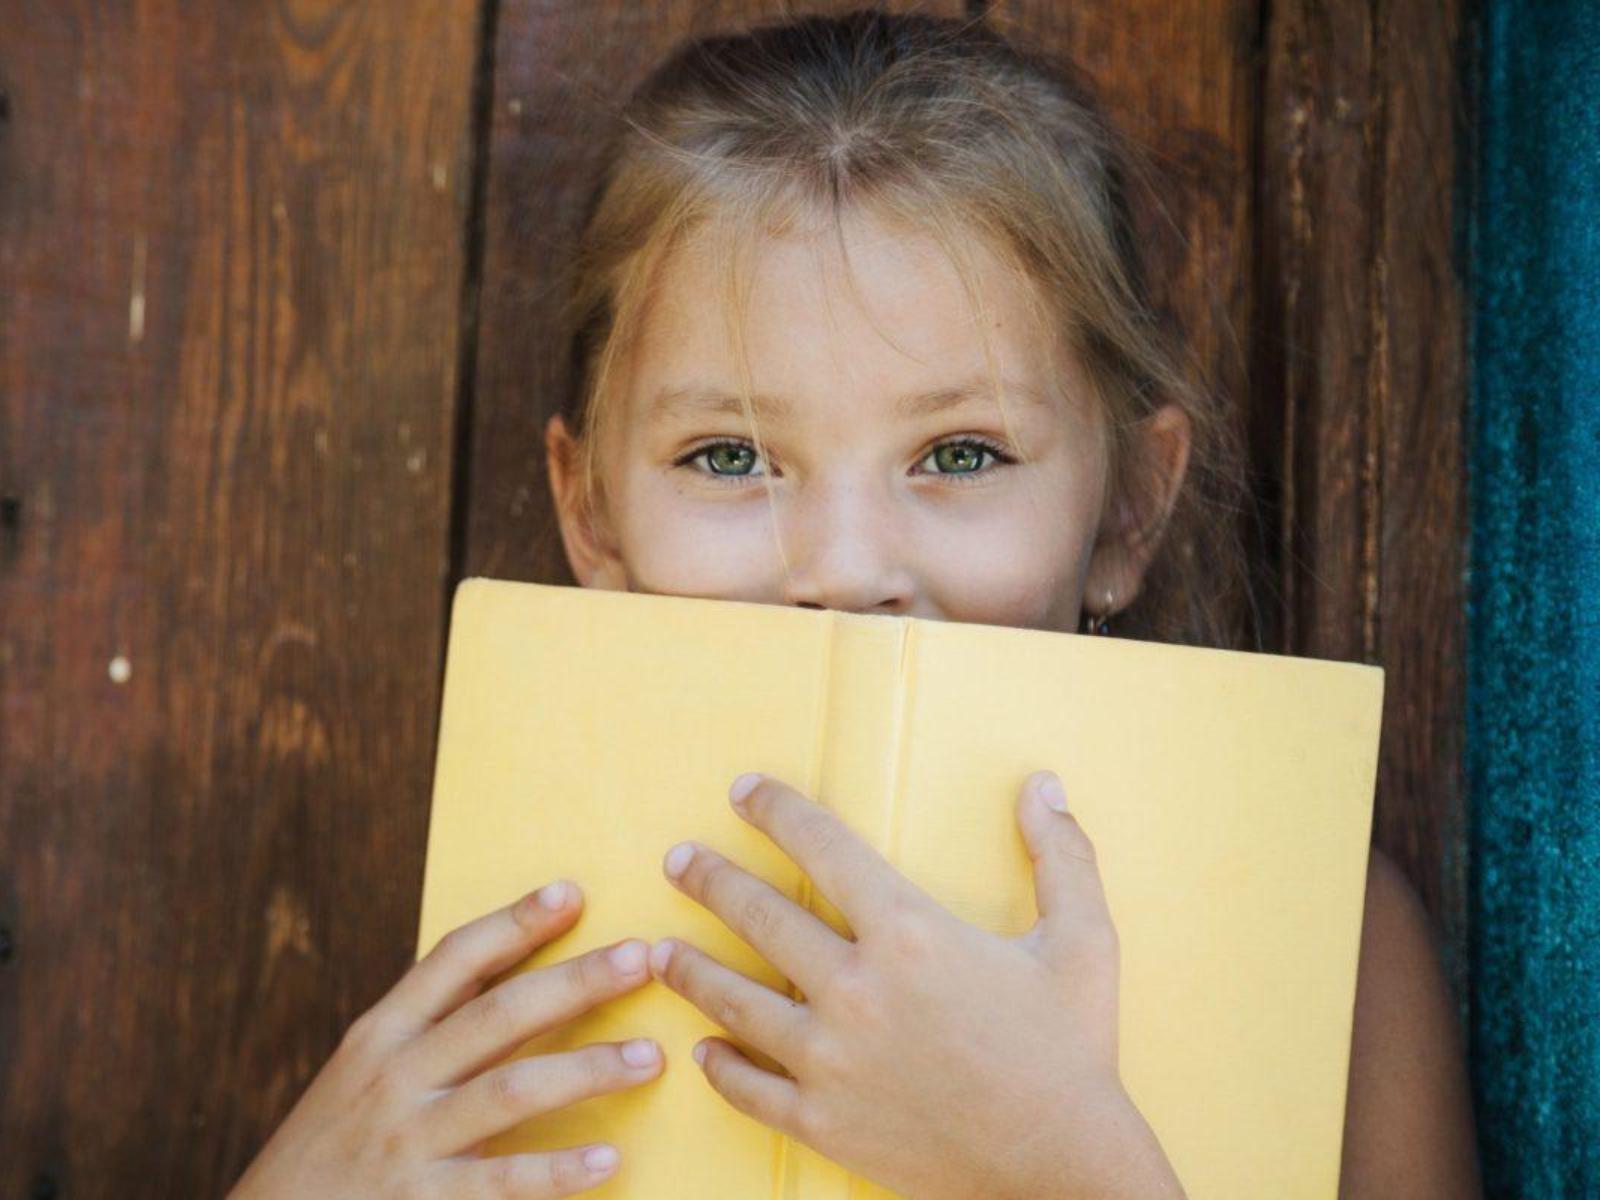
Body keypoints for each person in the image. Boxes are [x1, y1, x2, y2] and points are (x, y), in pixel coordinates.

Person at [229, 10, 1482, 1198]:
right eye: (729, 457)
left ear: (1126, 513)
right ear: (592, 515)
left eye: (961, 453)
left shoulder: (1331, 946)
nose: (840, 566)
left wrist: (1051, 1162)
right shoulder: (512, 945)